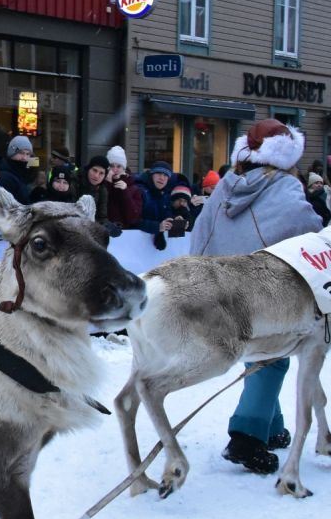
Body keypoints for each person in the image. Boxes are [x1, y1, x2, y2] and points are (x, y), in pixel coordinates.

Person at [188, 118, 321, 475]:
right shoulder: (284, 186)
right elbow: (310, 230)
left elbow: (201, 231)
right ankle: (246, 438)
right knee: (271, 358)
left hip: (219, 286)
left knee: (256, 355)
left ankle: (271, 427)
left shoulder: (225, 185)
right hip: (264, 288)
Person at [102, 146, 143, 229]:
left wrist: (125, 191)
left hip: (125, 232)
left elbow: (133, 218)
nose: (115, 170)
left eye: (118, 166)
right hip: (104, 230)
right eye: (112, 166)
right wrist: (107, 184)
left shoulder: (134, 188)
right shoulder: (102, 183)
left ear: (124, 168)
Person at [136, 162, 180, 234]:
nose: (162, 178)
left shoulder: (166, 195)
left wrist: (174, 220)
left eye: (165, 175)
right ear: (151, 175)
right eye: (159, 173)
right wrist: (157, 226)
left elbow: (166, 215)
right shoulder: (140, 191)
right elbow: (133, 221)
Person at [0, 135, 35, 203]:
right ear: (12, 153)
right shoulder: (5, 176)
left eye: (28, 154)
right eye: (21, 153)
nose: (24, 158)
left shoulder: (23, 174)